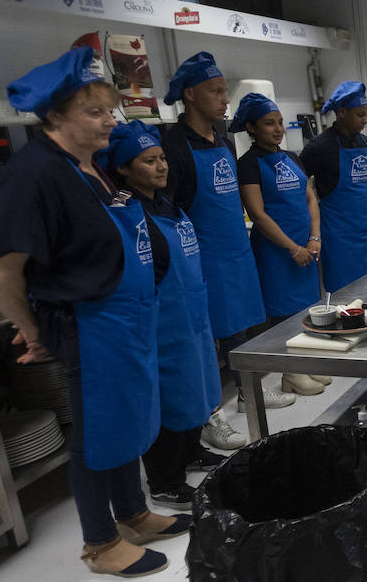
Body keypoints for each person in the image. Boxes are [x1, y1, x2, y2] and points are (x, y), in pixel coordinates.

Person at [0, 47, 190, 577]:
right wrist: (31, 330)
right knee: (97, 434)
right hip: (89, 327)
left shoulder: (86, 169)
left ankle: (134, 514)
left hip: (123, 322)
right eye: (94, 112)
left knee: (124, 424)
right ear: (54, 116)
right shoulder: (34, 174)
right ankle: (100, 543)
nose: (109, 122)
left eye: (110, 110)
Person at [98, 121, 226, 511]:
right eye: (148, 161)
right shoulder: (124, 213)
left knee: (196, 387)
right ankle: (165, 481)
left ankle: (190, 453)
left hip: (191, 314)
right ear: (123, 168)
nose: (161, 167)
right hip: (161, 321)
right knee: (167, 398)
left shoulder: (167, 203)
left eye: (163, 159)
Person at [160, 52, 293, 423]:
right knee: (211, 334)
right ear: (190, 94)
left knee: (242, 325)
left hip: (235, 244)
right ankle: (212, 412)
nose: (224, 99)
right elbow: (167, 211)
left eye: (225, 92)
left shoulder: (220, 138)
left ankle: (247, 393)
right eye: (216, 91)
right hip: (204, 252)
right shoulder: (174, 146)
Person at [233, 92, 331, 398]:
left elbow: (310, 197)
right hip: (277, 253)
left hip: (305, 247)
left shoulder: (291, 157)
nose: (277, 129)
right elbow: (257, 214)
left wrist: (314, 237)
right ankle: (290, 372)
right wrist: (292, 247)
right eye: (268, 124)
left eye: (279, 123)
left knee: (303, 310)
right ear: (251, 127)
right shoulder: (248, 164)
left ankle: (301, 365)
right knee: (283, 315)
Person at [301, 80, 367, 292]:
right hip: (338, 238)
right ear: (342, 112)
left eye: (366, 115)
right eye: (359, 115)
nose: (365, 120)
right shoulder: (318, 148)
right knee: (343, 298)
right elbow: (300, 183)